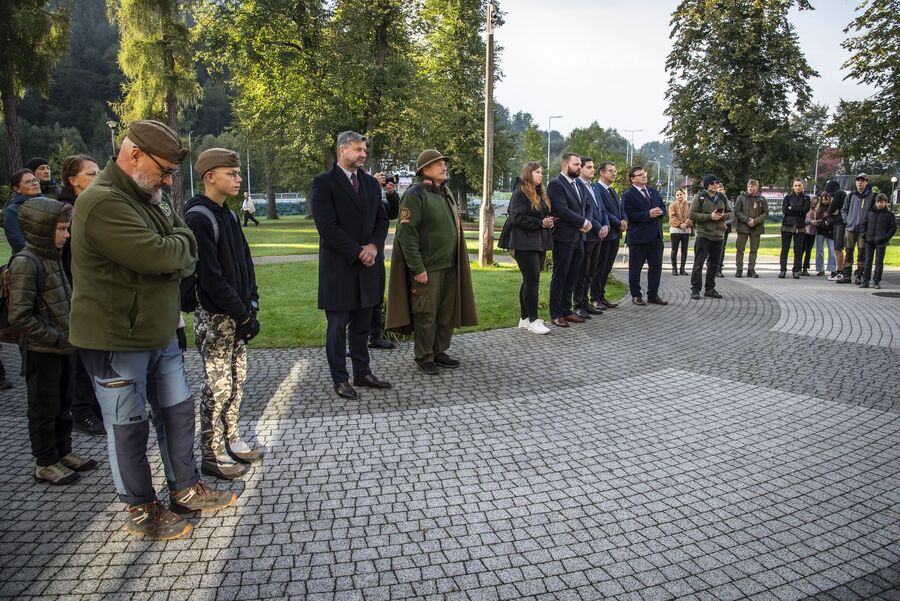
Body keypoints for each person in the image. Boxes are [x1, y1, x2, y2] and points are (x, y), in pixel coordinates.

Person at [71, 119, 236, 541]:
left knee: (177, 414)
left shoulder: (149, 196)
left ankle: (185, 487)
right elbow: (159, 256)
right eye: (163, 169)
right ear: (134, 155)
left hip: (159, 331)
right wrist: (176, 252)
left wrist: (176, 250)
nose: (167, 179)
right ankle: (141, 508)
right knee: (128, 427)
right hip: (116, 338)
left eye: (170, 173)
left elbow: (182, 244)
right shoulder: (104, 201)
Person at [7, 197, 97, 485]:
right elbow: (19, 316)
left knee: (63, 402)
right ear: (42, 229)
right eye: (60, 229)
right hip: (42, 350)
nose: (66, 235)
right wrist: (56, 338)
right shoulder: (26, 262)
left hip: (63, 347)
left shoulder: (53, 257)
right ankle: (45, 461)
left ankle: (63, 451)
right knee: (43, 407)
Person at [186, 148, 263, 480]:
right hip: (217, 316)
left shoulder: (228, 214)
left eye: (238, 172)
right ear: (209, 177)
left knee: (237, 380)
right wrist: (242, 314)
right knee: (216, 386)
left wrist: (252, 305)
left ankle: (232, 438)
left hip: (238, 313)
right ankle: (211, 452)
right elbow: (211, 278)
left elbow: (245, 263)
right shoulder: (198, 217)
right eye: (231, 173)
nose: (238, 178)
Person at [310, 131, 393, 396]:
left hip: (368, 267)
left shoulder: (369, 184)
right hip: (340, 268)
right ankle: (340, 379)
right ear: (342, 150)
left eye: (364, 150)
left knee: (362, 325)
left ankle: (363, 373)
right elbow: (327, 227)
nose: (363, 154)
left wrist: (372, 246)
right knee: (337, 329)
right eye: (358, 149)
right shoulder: (323, 183)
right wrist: (358, 251)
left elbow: (382, 220)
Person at [385, 149, 477, 374]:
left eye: (444, 164)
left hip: (449, 266)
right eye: (439, 164)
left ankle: (439, 351)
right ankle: (424, 356)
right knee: (427, 314)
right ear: (425, 169)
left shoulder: (445, 192)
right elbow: (406, 235)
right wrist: (417, 268)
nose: (444, 167)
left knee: (446, 313)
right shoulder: (415, 194)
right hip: (428, 268)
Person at [58, 154, 104, 436]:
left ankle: (96, 407)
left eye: (99, 172)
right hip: (76, 292)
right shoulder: (67, 210)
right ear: (73, 181)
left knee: (98, 354)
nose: (97, 177)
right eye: (91, 174)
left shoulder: (90, 207)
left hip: (93, 291)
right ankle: (82, 411)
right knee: (81, 355)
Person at [503, 162, 553, 334]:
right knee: (532, 281)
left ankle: (524, 319)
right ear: (528, 174)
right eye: (537, 172)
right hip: (524, 243)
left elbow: (541, 214)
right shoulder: (520, 193)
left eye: (541, 172)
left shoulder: (539, 193)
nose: (541, 175)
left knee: (529, 281)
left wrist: (547, 220)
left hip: (537, 242)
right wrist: (540, 222)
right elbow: (516, 217)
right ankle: (533, 320)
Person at [546, 153, 590, 326]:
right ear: (566, 166)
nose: (580, 167)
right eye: (576, 164)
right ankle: (556, 313)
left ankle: (566, 310)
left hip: (579, 237)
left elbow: (585, 206)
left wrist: (585, 223)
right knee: (560, 276)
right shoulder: (556, 184)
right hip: (563, 238)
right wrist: (582, 222)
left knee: (572, 276)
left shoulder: (578, 184)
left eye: (580, 164)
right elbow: (560, 209)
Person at [622, 166, 668, 306]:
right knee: (635, 268)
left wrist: (661, 212)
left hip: (656, 237)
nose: (644, 176)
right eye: (640, 174)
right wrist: (647, 214)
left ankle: (653, 295)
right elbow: (628, 215)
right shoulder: (628, 195)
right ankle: (636, 295)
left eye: (645, 173)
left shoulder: (653, 191)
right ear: (632, 178)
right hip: (638, 238)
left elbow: (663, 208)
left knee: (656, 268)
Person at [573, 157, 609, 319]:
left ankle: (586, 301)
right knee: (582, 271)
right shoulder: (578, 185)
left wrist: (606, 225)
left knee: (591, 271)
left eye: (593, 167)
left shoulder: (594, 187)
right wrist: (597, 226)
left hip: (598, 236)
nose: (592, 170)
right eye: (589, 167)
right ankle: (578, 304)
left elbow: (601, 210)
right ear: (580, 169)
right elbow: (586, 212)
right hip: (587, 234)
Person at [368, 177, 401, 350]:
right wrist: (372, 184)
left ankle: (375, 336)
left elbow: (393, 213)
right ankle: (353, 339)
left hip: (378, 255)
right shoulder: (361, 193)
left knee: (376, 296)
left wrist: (391, 193)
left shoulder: (377, 199)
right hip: (358, 253)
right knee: (355, 299)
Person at [689, 174, 733, 299]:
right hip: (704, 235)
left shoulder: (722, 197)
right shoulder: (699, 197)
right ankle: (695, 289)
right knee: (699, 263)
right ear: (707, 185)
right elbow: (691, 214)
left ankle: (710, 288)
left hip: (718, 235)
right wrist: (710, 216)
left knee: (714, 264)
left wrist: (722, 216)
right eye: (713, 183)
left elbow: (731, 213)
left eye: (717, 183)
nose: (715, 185)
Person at [592, 162, 626, 308]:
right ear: (602, 173)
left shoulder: (612, 191)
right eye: (611, 171)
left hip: (615, 235)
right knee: (599, 267)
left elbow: (620, 208)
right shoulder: (596, 189)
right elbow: (604, 210)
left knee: (607, 268)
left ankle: (601, 295)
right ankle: (594, 297)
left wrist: (624, 220)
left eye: (615, 171)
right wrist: (617, 223)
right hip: (605, 234)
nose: (614, 173)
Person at [842, 173, 874, 284]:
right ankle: (846, 275)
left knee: (862, 253)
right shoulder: (851, 195)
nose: (860, 182)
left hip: (863, 230)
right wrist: (847, 220)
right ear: (855, 182)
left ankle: (859, 275)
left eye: (862, 180)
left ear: (866, 182)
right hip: (850, 229)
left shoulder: (871, 196)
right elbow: (844, 210)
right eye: (858, 180)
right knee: (848, 252)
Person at [859, 193, 896, 289]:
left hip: (881, 241)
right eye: (878, 202)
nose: (880, 204)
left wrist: (886, 237)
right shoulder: (869, 213)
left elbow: (893, 228)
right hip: (869, 241)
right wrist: (864, 235)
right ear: (875, 202)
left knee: (879, 262)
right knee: (868, 261)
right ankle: (865, 281)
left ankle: (876, 281)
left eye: (882, 202)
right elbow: (863, 224)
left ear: (886, 203)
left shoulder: (889, 215)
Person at [733, 179, 768, 278]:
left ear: (757, 187)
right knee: (740, 249)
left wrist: (756, 221)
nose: (750, 188)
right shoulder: (741, 198)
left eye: (753, 186)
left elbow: (766, 212)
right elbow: (737, 211)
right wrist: (747, 220)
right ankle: (739, 269)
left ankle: (751, 269)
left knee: (754, 249)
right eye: (749, 186)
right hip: (743, 227)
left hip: (756, 228)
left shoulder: (762, 199)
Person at [4, 169, 42, 253]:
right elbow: (17, 240)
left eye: (35, 180)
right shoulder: (12, 211)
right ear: (17, 189)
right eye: (28, 182)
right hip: (29, 260)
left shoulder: (50, 204)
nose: (34, 183)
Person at [779, 178, 810, 279]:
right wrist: (797, 210)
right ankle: (783, 270)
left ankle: (796, 270)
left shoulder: (806, 198)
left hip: (800, 227)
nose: (797, 187)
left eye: (799, 185)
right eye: (796, 185)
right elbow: (785, 210)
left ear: (802, 186)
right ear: (793, 186)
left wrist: (792, 208)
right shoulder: (787, 197)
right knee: (785, 249)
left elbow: (805, 210)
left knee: (798, 249)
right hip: (787, 226)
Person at [825, 180, 848, 281]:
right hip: (837, 223)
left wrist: (832, 211)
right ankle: (839, 270)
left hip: (840, 224)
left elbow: (830, 210)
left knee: (838, 248)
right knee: (837, 248)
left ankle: (840, 271)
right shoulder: (840, 194)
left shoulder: (839, 193)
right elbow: (830, 212)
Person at [667, 188, 692, 276]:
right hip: (675, 230)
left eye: (681, 194)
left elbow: (691, 216)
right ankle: (674, 269)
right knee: (674, 250)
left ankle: (682, 269)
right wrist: (680, 224)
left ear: (684, 195)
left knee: (684, 251)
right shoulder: (672, 205)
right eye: (677, 195)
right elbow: (672, 217)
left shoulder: (689, 205)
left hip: (686, 231)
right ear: (675, 196)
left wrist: (687, 223)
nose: (679, 196)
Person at [814, 192, 836, 277]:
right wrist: (823, 223)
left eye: (826, 199)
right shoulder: (819, 209)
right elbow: (817, 220)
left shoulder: (833, 208)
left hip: (830, 232)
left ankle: (832, 269)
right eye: (822, 200)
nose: (824, 201)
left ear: (829, 199)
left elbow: (833, 219)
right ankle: (820, 269)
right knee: (819, 251)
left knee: (832, 250)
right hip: (820, 231)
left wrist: (827, 222)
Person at [716, 182, 732, 278]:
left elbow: (731, 215)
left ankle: (719, 268)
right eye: (719, 190)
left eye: (722, 190)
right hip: (714, 228)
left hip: (725, 229)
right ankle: (712, 267)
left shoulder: (728, 202)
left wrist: (725, 223)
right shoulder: (713, 200)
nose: (721, 192)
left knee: (722, 249)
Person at [800, 197, 819, 276]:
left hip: (812, 232)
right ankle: (798, 267)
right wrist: (809, 221)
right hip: (804, 231)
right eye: (812, 203)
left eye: (815, 203)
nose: (813, 205)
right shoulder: (805, 210)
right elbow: (801, 220)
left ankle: (805, 268)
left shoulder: (816, 211)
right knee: (801, 250)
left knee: (808, 251)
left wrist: (817, 222)